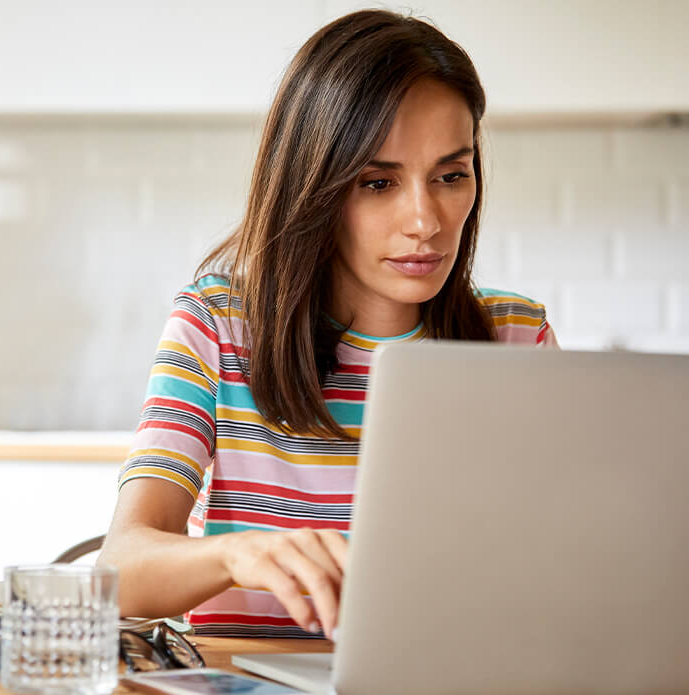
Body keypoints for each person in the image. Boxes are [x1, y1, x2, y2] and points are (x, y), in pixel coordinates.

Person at [96, 8, 559, 642]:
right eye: (377, 182)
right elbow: (121, 567)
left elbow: (563, 565)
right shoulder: (220, 324)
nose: (425, 220)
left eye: (451, 176)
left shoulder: (515, 335)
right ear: (314, 186)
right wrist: (237, 555)